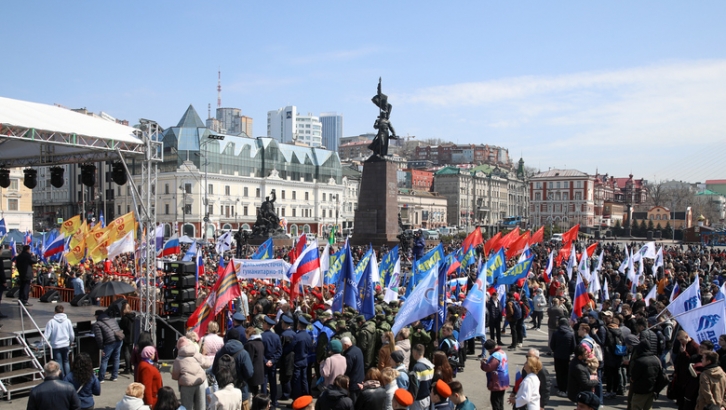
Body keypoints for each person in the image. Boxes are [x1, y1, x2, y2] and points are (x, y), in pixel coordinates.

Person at [171, 336, 212, 410]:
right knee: (200, 407)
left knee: (187, 407)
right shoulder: (196, 354)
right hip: (200, 382)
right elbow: (207, 364)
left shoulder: (178, 359)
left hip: (186, 385)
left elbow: (175, 376)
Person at [92, 309, 124, 382]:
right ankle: (114, 376)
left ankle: (101, 378)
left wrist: (101, 347)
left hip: (109, 342)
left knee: (105, 359)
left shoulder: (97, 324)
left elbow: (99, 337)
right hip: (119, 339)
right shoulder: (112, 319)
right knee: (116, 358)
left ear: (97, 316)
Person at [45, 304, 75, 378]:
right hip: (65, 344)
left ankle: (61, 378)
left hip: (56, 345)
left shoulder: (51, 322)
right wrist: (71, 342)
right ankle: (68, 378)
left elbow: (46, 335)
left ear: (55, 312)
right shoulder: (68, 321)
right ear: (63, 311)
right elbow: (71, 334)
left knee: (59, 363)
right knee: (66, 362)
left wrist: (41, 344)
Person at [550, 317, 576, 396]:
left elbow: (552, 345)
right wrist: (569, 352)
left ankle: (560, 388)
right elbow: (573, 346)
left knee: (558, 372)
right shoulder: (571, 334)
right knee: (565, 373)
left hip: (557, 355)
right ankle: (564, 389)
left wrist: (555, 351)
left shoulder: (556, 333)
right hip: (566, 356)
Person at [479, 339, 509, 410]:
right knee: (500, 400)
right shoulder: (502, 352)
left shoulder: (495, 355)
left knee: (495, 401)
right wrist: (489, 360)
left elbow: (488, 367)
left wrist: (483, 364)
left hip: (497, 381)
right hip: (504, 379)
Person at [260, 316, 281, 407]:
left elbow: (260, 351)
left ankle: (264, 403)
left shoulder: (261, 336)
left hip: (264, 363)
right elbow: (279, 351)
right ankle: (274, 401)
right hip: (273, 363)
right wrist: (272, 361)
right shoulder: (276, 337)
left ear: (265, 325)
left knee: (264, 383)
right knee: (273, 383)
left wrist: (265, 361)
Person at [291, 315, 313, 400]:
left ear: (299, 325)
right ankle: (307, 396)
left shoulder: (297, 336)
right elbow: (310, 346)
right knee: (304, 380)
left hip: (297, 360)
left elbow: (291, 347)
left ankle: (297, 399)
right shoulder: (308, 336)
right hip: (305, 360)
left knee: (297, 381)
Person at [410, 343, 435, 410]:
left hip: (418, 400)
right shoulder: (430, 365)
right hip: (427, 397)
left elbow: (415, 386)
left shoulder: (417, 367)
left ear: (415, 353)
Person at [342, 336, 365, 404]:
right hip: (360, 378)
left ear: (346, 345)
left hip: (353, 381)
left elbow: (348, 369)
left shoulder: (349, 354)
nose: (342, 348)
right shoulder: (358, 349)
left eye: (343, 346)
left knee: (353, 401)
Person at [245, 327, 266, 396]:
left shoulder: (250, 344)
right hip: (259, 369)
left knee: (251, 391)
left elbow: (249, 359)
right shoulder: (260, 342)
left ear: (248, 334)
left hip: (253, 371)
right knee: (255, 390)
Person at [119, 302, 136, 375]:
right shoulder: (132, 317)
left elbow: (121, 326)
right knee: (130, 352)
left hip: (126, 336)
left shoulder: (125, 318)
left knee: (126, 353)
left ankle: (128, 368)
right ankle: (130, 367)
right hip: (132, 336)